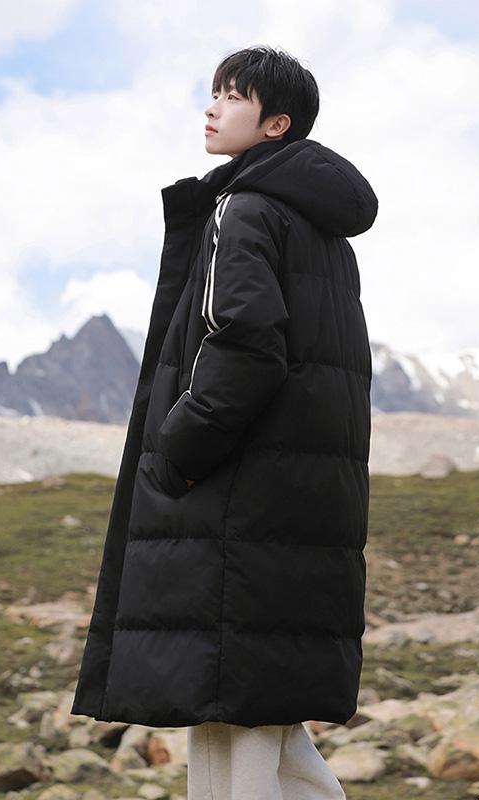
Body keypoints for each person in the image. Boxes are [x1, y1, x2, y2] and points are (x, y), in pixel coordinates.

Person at [70, 44, 378, 799]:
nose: (211, 108)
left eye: (233, 96)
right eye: (214, 93)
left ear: (277, 125)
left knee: (230, 723)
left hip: (233, 511)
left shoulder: (243, 208)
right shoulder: (322, 231)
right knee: (264, 719)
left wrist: (176, 452)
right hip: (292, 510)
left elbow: (244, 345)